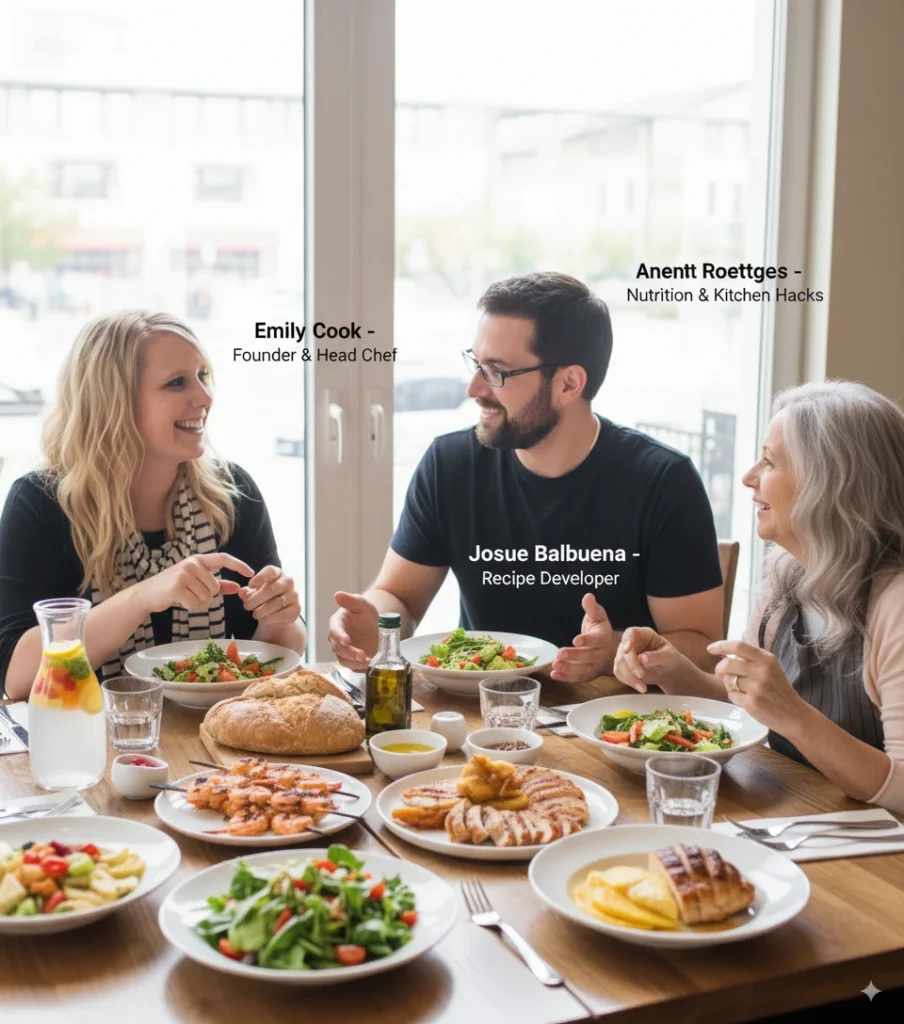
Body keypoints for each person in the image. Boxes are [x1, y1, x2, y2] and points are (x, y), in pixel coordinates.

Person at [329, 272, 724, 682]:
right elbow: (401, 599)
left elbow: (703, 646)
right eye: (476, 363)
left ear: (569, 383)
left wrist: (617, 650)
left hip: (614, 723)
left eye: (497, 372)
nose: (474, 388)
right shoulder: (450, 464)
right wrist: (375, 620)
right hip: (482, 716)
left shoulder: (662, 481)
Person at [613, 381, 904, 813]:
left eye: (768, 462)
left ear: (830, 484)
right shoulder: (786, 576)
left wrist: (793, 715)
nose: (749, 477)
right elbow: (748, 708)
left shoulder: (893, 605)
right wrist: (673, 670)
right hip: (793, 814)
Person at [0, 311, 306, 700]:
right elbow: (17, 678)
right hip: (93, 744)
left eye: (202, 376)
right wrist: (144, 595)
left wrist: (281, 617)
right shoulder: (42, 502)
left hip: (209, 735)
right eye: (176, 383)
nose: (205, 397)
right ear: (115, 403)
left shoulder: (232, 493)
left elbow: (278, 648)